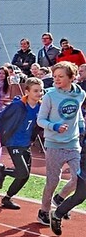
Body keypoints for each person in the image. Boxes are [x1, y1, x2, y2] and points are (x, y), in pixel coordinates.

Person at [36, 61, 85, 227]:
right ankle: (43, 210)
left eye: (60, 76)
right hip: (54, 144)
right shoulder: (50, 96)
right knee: (52, 180)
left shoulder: (80, 94)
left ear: (71, 77)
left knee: (78, 179)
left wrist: (81, 126)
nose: (56, 79)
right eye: (55, 76)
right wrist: (54, 126)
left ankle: (60, 198)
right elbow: (40, 120)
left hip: (73, 144)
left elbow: (77, 113)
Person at [0, 77, 43, 209]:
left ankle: (7, 198)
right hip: (13, 142)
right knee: (23, 172)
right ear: (27, 91)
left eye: (41, 91)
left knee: (24, 176)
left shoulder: (41, 107)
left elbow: (39, 124)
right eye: (35, 91)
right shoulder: (17, 106)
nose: (39, 93)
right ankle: (3, 171)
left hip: (26, 143)